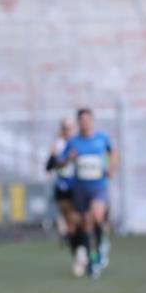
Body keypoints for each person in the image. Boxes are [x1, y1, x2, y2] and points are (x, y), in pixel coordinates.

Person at [59, 108, 117, 278]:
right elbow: (60, 162)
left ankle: (100, 246)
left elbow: (113, 153)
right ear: (79, 122)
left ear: (92, 121)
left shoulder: (101, 138)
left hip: (98, 186)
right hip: (80, 188)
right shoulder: (73, 141)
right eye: (82, 120)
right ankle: (93, 257)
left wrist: (111, 167)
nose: (85, 123)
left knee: (97, 215)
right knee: (85, 223)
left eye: (87, 120)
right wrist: (67, 159)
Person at [46, 117, 83, 276]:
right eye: (66, 128)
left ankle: (85, 249)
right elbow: (48, 166)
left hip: (80, 186)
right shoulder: (58, 145)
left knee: (80, 220)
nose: (69, 131)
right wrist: (57, 157)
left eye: (71, 127)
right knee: (70, 224)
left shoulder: (81, 143)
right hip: (63, 187)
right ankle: (77, 255)